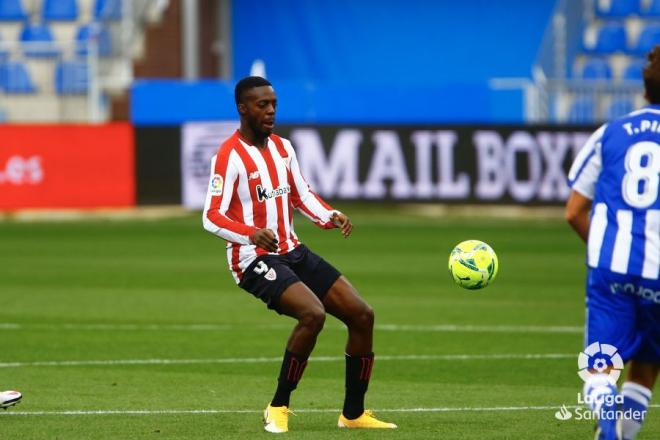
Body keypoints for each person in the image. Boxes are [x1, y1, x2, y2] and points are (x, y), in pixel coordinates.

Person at [202, 76, 396, 433]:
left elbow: (301, 194)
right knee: (312, 314)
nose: (271, 110)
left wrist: (329, 215)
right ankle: (278, 405)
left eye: (274, 103)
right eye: (262, 105)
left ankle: (353, 414)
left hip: (292, 250)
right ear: (243, 108)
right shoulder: (228, 158)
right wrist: (249, 234)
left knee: (362, 315)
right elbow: (210, 216)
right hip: (254, 259)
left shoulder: (283, 148)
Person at [566, 47, 660, 440]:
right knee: (647, 364)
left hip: (611, 266)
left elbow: (574, 210)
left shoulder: (611, 132)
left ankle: (607, 425)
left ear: (644, 90)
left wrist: (602, 248)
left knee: (600, 364)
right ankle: (620, 434)